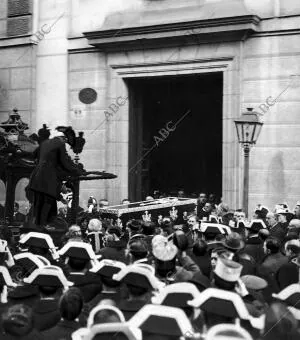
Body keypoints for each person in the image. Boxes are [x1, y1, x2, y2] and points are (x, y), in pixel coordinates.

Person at [27, 127, 84, 228]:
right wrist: (78, 171)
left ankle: (40, 227)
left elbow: (34, 155)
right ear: (62, 138)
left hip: (36, 180)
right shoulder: (59, 144)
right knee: (47, 208)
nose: (65, 143)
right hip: (48, 182)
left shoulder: (45, 143)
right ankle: (43, 228)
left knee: (39, 208)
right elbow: (65, 161)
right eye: (65, 140)